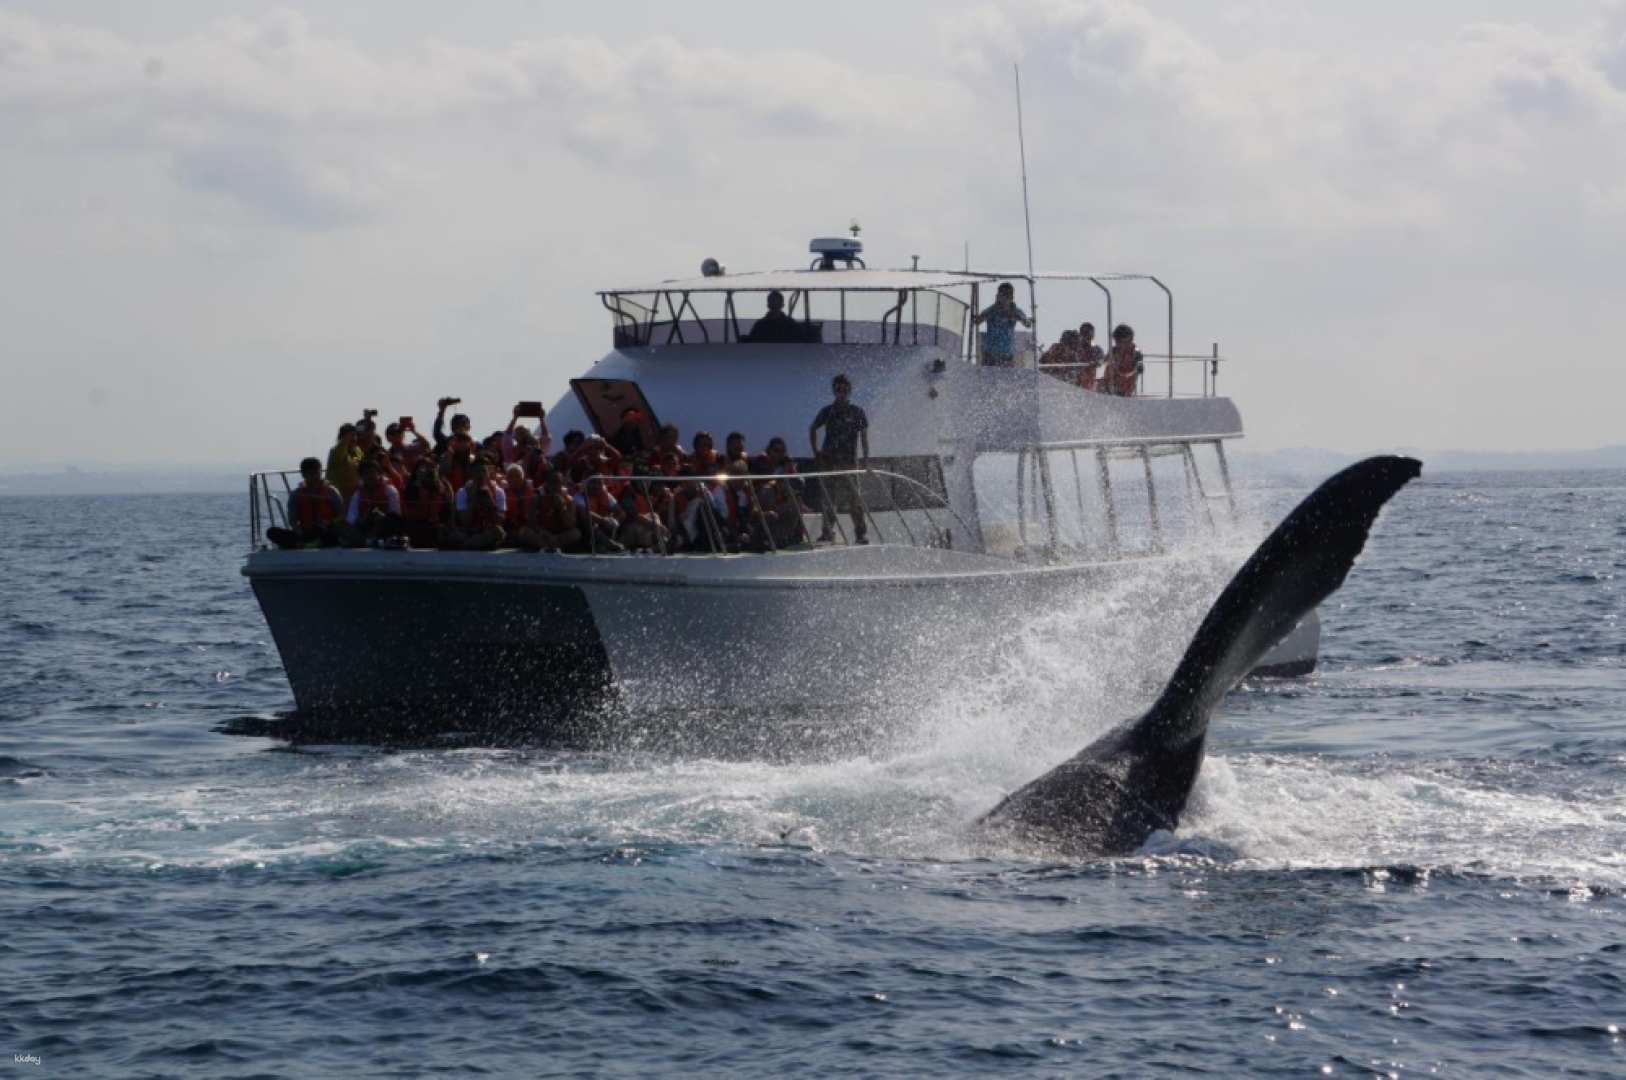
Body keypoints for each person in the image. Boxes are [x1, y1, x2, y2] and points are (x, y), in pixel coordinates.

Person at [808, 373, 869, 544]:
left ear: (849, 390)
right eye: (838, 389)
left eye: (844, 388)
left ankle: (860, 533)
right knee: (829, 499)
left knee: (854, 500)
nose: (841, 391)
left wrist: (866, 457)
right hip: (829, 462)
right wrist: (816, 452)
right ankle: (827, 532)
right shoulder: (827, 411)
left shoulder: (857, 412)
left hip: (849, 462)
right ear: (834, 390)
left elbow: (863, 436)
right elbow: (812, 428)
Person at [266, 457, 343, 549]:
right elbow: (293, 520)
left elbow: (341, 515)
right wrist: (300, 532)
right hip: (305, 532)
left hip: (326, 531)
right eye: (310, 474)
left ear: (320, 472)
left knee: (332, 533)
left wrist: (329, 524)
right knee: (271, 532)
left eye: (316, 473)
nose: (314, 477)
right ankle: (304, 543)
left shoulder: (331, 492)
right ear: (303, 474)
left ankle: (307, 544)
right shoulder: (296, 494)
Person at [342, 459, 405, 547]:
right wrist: (363, 520)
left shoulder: (390, 490)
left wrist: (380, 518)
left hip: (384, 528)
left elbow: (395, 515)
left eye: (372, 472)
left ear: (379, 474)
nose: (369, 476)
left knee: (391, 521)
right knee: (343, 528)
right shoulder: (358, 493)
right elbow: (351, 518)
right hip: (364, 528)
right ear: (361, 476)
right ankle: (367, 541)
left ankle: (377, 541)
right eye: (366, 473)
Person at [451, 457, 507, 551]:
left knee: (499, 532)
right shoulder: (463, 492)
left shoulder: (498, 492)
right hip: (470, 532)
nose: (480, 475)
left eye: (483, 471)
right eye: (477, 472)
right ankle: (475, 543)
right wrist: (473, 499)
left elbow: (500, 521)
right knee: (456, 535)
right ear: (472, 473)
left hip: (488, 532)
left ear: (488, 473)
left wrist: (490, 502)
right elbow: (465, 522)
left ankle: (472, 544)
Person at [971, 282, 1032, 367]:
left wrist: (1023, 319)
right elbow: (977, 321)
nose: (1006, 299)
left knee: (1006, 378)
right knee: (989, 378)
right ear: (998, 296)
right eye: (1003, 295)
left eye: (1008, 295)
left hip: (1006, 355)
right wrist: (978, 317)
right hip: (990, 354)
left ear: (1012, 297)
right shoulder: (992, 310)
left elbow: (1027, 324)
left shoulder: (1015, 311)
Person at [399, 458, 453, 549]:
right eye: (422, 469)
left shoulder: (443, 487)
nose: (425, 471)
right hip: (415, 526)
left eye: (428, 469)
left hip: (436, 527)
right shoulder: (410, 488)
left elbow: (447, 507)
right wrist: (418, 485)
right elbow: (408, 510)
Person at [326, 423, 364, 501]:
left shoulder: (358, 451)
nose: (353, 438)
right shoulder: (335, 451)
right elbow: (342, 446)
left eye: (355, 435)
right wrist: (347, 437)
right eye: (351, 436)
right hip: (339, 495)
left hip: (355, 495)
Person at [1104, 323, 1143, 397]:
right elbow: (1104, 360)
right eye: (1117, 341)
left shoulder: (1136, 352)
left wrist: (1138, 367)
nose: (1119, 344)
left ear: (1129, 340)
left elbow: (1139, 366)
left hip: (1127, 386)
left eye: (1121, 341)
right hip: (1112, 385)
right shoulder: (1114, 350)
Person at [1076, 322, 1105, 391]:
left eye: (1089, 335)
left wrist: (1097, 362)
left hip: (1089, 382)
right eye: (1084, 334)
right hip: (1075, 380)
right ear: (1080, 334)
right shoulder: (1075, 348)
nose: (1086, 338)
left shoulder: (1096, 349)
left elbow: (1101, 360)